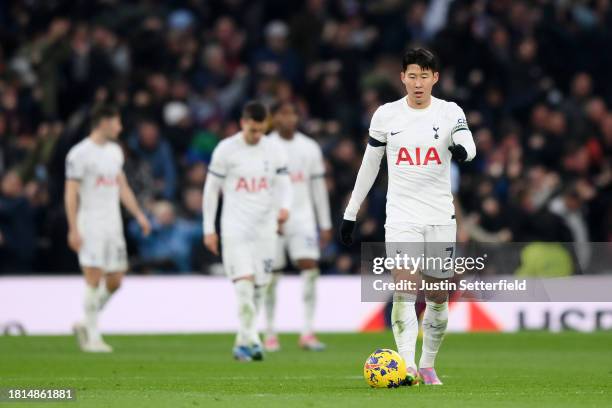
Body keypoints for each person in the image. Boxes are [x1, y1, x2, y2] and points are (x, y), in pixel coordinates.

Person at [339, 48, 476, 385]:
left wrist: (462, 151)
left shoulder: (449, 111)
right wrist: (351, 212)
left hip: (440, 216)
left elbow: (468, 143)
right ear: (402, 77)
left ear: (435, 79)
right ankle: (407, 365)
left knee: (438, 297)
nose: (418, 83)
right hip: (401, 215)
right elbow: (370, 166)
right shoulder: (386, 115)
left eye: (424, 76)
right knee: (404, 289)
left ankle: (428, 363)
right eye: (412, 76)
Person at [203, 101, 292, 361]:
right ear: (243, 123)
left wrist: (284, 208)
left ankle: (242, 341)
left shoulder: (274, 149)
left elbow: (284, 185)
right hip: (235, 227)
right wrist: (209, 228)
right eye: (252, 130)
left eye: (260, 130)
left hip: (265, 228)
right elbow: (211, 191)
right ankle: (253, 340)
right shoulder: (226, 150)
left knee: (260, 288)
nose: (256, 135)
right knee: (243, 285)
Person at [65, 104, 151, 352]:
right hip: (90, 223)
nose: (120, 128)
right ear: (103, 122)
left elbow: (121, 185)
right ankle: (92, 338)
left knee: (115, 279)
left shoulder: (115, 151)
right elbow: (70, 193)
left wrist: (139, 215)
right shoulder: (79, 154)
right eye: (117, 122)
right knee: (93, 277)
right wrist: (73, 228)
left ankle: (84, 322)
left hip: (113, 225)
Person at [265, 101, 332, 352]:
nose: (289, 119)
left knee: (310, 268)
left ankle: (307, 331)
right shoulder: (266, 146)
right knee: (272, 276)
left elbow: (318, 188)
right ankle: (270, 333)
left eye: (293, 113)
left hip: (303, 219)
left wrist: (324, 223)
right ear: (274, 118)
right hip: (272, 220)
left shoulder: (309, 147)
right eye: (283, 114)